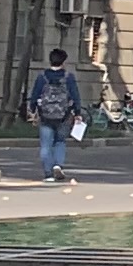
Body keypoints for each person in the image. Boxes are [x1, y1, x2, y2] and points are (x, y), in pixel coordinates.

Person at [24, 45, 84, 183]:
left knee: (46, 144)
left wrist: (32, 110)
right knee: (60, 141)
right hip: (64, 116)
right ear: (63, 62)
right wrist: (77, 112)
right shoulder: (68, 77)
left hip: (45, 116)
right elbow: (75, 96)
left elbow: (35, 95)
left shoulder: (42, 77)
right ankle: (58, 165)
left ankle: (48, 174)